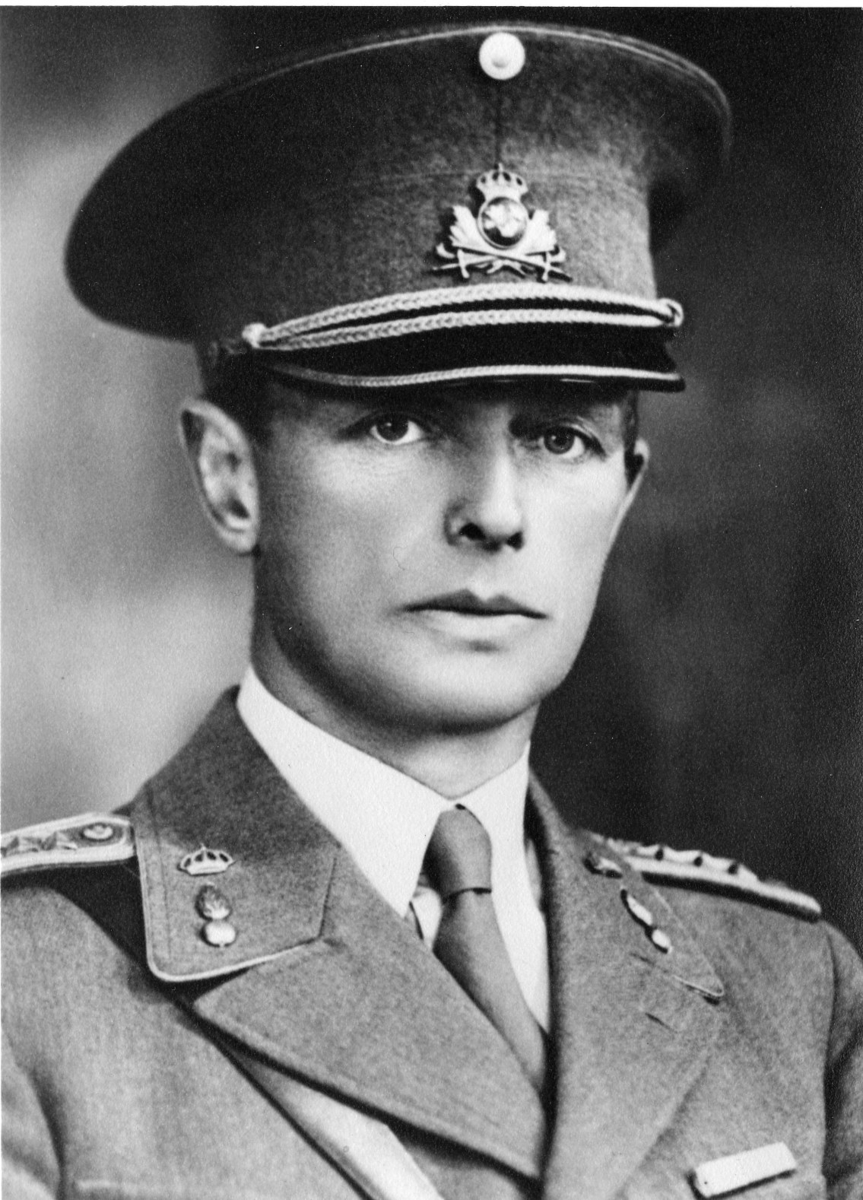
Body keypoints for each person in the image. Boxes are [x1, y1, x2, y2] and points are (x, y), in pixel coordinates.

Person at [3, 22, 861, 1200]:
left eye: (556, 436)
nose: (495, 512)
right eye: (396, 423)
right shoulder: (31, 988)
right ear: (231, 479)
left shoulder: (788, 989)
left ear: (625, 492)